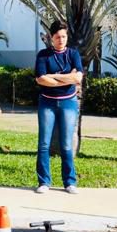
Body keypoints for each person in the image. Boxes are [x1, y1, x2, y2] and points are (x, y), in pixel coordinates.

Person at [33, 20, 83, 194]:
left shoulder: (73, 54)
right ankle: (44, 182)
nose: (61, 40)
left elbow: (78, 78)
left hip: (68, 103)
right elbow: (40, 79)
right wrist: (66, 78)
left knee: (66, 145)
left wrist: (53, 76)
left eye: (63, 37)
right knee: (44, 144)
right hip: (47, 103)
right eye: (57, 37)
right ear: (51, 38)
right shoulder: (43, 55)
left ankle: (69, 182)